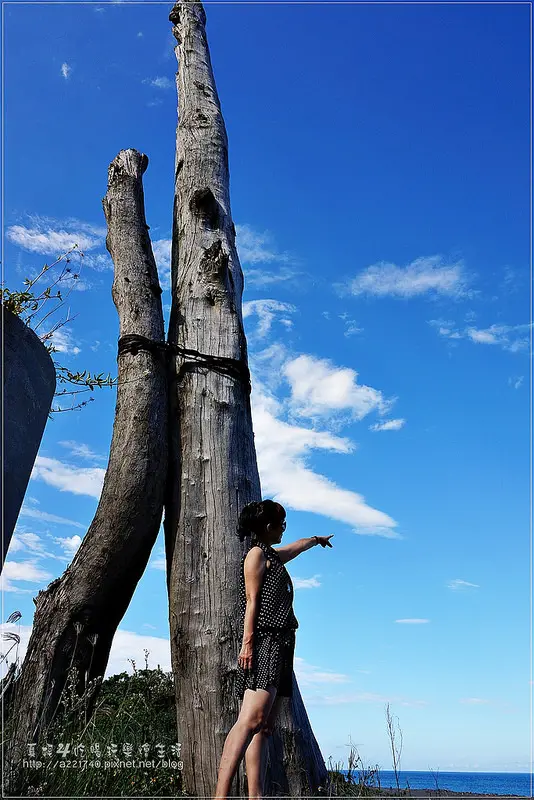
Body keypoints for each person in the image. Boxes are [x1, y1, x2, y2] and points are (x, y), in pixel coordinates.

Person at [213, 499, 334, 799]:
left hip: (282, 645)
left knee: (265, 727)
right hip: (264, 642)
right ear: (268, 527)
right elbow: (252, 602)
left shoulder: (271, 555)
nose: (284, 529)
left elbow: (293, 548)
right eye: (281, 524)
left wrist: (314, 541)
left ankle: (257, 796)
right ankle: (220, 795)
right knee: (250, 721)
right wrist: (247, 645)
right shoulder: (255, 555)